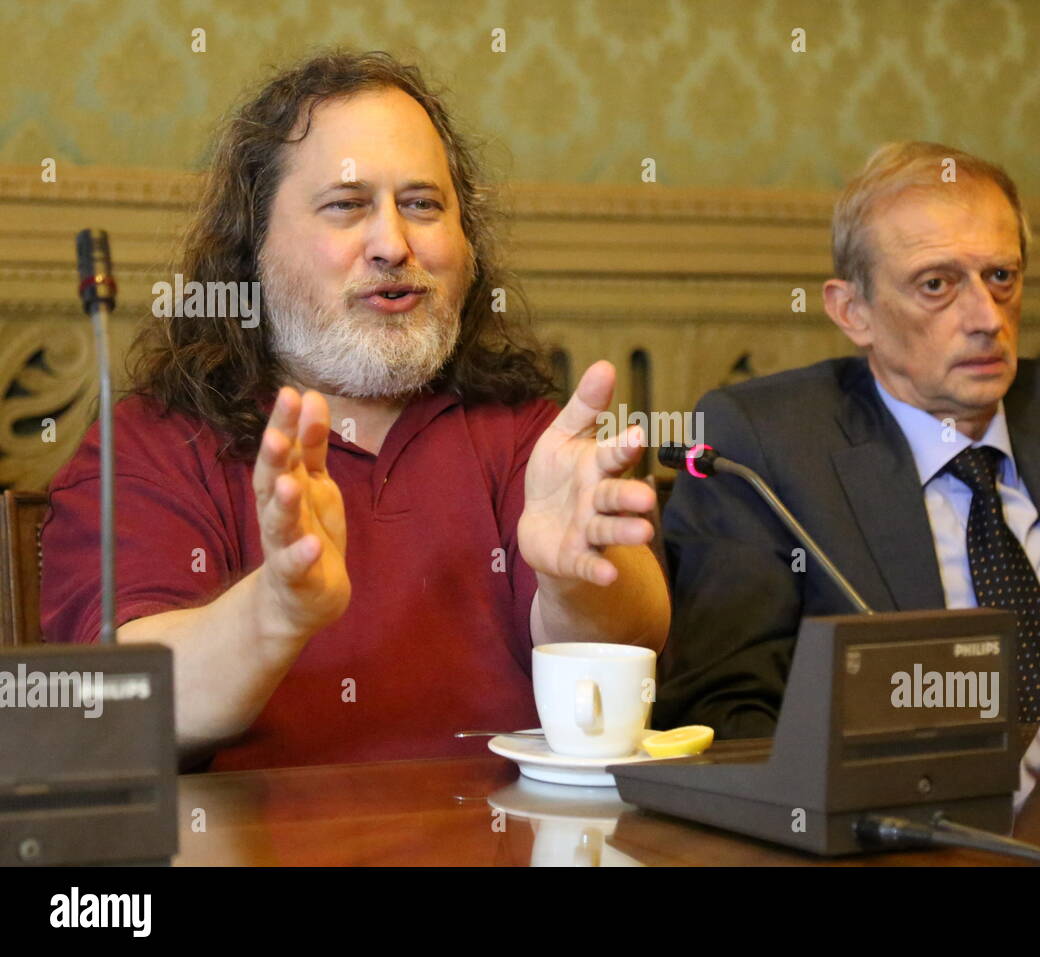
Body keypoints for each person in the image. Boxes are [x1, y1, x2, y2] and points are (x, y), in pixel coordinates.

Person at [41, 50, 670, 771]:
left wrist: (579, 575)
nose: (392, 245)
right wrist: (278, 608)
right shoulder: (152, 447)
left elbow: (636, 638)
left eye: (422, 205)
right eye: (346, 206)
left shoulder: (526, 429)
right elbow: (124, 698)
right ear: (255, 250)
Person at [654, 141, 1040, 739]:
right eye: (936, 284)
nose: (986, 319)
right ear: (854, 312)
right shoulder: (764, 447)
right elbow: (728, 713)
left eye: (1001, 276)